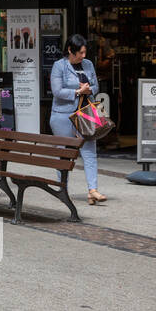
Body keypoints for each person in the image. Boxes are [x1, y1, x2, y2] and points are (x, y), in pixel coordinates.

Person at [50, 35, 104, 204]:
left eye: (84, 52)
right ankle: (62, 188)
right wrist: (77, 92)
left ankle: (92, 190)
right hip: (62, 115)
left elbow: (96, 86)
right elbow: (57, 91)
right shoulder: (59, 66)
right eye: (80, 53)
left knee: (89, 152)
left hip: (85, 114)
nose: (83, 56)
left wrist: (89, 90)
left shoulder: (88, 65)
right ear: (70, 51)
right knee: (64, 154)